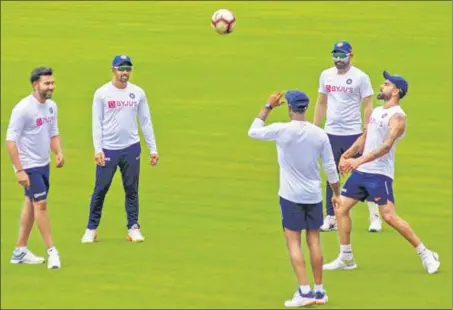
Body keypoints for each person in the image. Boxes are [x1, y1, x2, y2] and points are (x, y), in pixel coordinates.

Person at [323, 71, 440, 274]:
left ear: (396, 91)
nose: (381, 86)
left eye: (386, 84)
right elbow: (365, 138)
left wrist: (357, 160)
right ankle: (346, 257)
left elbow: (386, 146)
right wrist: (347, 155)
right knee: (340, 208)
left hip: (379, 175)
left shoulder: (398, 118)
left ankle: (425, 254)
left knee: (389, 217)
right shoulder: (377, 111)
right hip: (362, 172)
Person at [248, 90, 341, 307]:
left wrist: (268, 107)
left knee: (293, 243)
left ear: (289, 108)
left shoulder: (282, 130)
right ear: (306, 108)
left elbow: (253, 131)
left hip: (291, 196)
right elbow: (330, 167)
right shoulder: (319, 134)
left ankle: (304, 291)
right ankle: (319, 292)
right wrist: (336, 194)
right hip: (314, 196)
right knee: (314, 241)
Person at [81, 55, 159, 243]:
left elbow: (145, 121)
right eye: (121, 69)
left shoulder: (138, 93)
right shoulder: (102, 93)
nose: (124, 73)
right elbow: (96, 123)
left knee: (131, 188)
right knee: (100, 189)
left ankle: (133, 227)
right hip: (108, 149)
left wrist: (153, 148)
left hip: (131, 148)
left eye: (128, 69)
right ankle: (91, 229)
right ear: (113, 70)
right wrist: (98, 149)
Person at [313, 40, 383, 233]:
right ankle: (331, 217)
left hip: (353, 132)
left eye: (342, 55)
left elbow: (368, 104)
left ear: (351, 55)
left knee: (364, 174)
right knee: (331, 174)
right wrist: (315, 127)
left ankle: (375, 217)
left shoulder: (360, 77)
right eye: (335, 55)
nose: (338, 59)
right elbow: (321, 103)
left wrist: (368, 131)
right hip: (331, 132)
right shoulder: (326, 75)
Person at [6, 67, 64, 269]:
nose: (51, 87)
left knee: (31, 204)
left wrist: (58, 152)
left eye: (53, 83)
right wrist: (19, 170)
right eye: (47, 83)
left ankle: (19, 250)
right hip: (29, 166)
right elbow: (10, 141)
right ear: (35, 85)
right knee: (41, 204)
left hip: (43, 164)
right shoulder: (23, 109)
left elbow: (53, 133)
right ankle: (52, 251)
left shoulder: (51, 107)